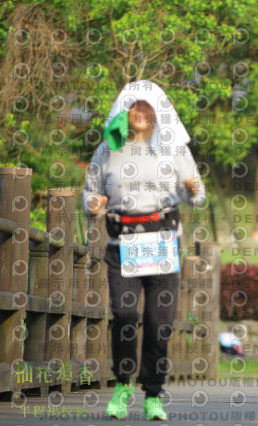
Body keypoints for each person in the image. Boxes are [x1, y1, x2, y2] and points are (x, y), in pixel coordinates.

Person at [82, 80, 206, 420]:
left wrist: (193, 189)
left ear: (158, 113)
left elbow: (197, 195)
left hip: (163, 244)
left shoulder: (174, 149)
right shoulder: (107, 150)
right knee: (124, 316)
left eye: (147, 107)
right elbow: (89, 193)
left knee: (158, 322)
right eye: (133, 106)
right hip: (121, 245)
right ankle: (122, 386)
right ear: (124, 110)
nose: (140, 113)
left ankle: (153, 393)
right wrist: (93, 202)